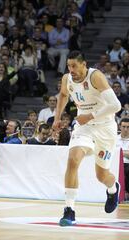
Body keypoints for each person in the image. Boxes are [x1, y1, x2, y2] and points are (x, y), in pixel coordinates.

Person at [53, 51, 122, 226]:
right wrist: (57, 118)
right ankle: (69, 210)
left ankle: (113, 189)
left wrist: (90, 115)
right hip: (84, 126)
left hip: (105, 128)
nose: (71, 69)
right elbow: (63, 95)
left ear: (84, 65)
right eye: (69, 66)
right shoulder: (67, 79)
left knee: (102, 176)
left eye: (74, 66)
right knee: (73, 160)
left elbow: (116, 105)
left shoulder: (95, 77)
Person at [116, 118, 129, 200]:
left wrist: (119, 152)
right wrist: (126, 153)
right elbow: (111, 153)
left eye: (128, 127)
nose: (125, 129)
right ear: (120, 127)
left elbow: (116, 152)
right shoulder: (114, 139)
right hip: (116, 164)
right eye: (124, 127)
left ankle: (126, 192)